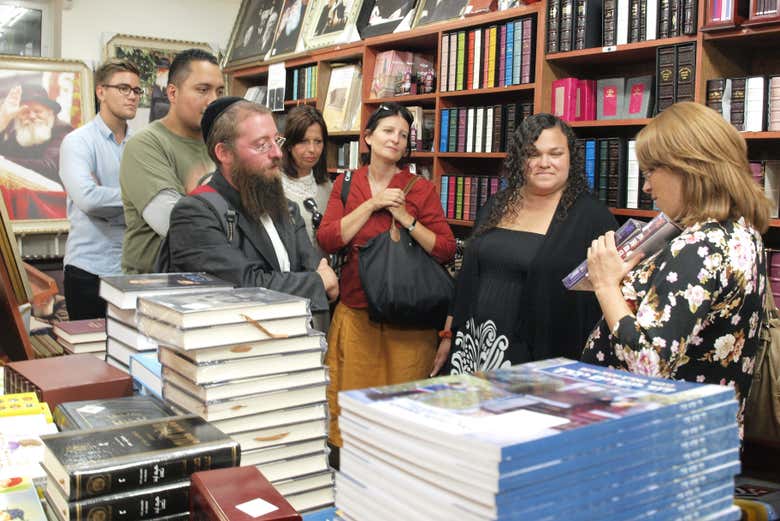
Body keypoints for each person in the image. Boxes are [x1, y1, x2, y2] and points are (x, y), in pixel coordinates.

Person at [582, 101, 770, 431]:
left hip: (653, 438)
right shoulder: (743, 233)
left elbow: (650, 365)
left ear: (689, 167)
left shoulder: (698, 246)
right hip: (703, 432)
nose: (646, 187)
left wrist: (606, 285)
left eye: (651, 172)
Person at [433, 113, 617, 376]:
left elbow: (606, 296)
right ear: (521, 159)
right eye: (533, 154)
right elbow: (465, 280)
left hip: (540, 359)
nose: (544, 163)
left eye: (555, 153)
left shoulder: (592, 218)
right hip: (472, 346)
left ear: (571, 158)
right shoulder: (497, 204)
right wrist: (448, 336)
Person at [317, 102, 456, 449]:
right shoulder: (346, 184)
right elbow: (329, 238)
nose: (396, 139)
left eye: (403, 135)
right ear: (368, 137)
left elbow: (445, 249)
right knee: (350, 410)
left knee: (403, 413)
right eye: (388, 131)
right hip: (356, 311)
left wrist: (406, 218)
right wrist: (372, 205)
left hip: (408, 321)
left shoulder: (419, 189)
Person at [166, 97, 338, 323]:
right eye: (262, 144)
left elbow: (315, 270)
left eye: (277, 140)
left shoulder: (287, 209)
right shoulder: (195, 213)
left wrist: (314, 279)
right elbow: (244, 288)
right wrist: (316, 282)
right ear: (224, 153)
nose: (277, 152)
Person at [120, 48, 224, 274]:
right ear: (172, 93)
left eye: (219, 91)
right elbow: (177, 223)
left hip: (212, 280)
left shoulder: (221, 146)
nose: (213, 100)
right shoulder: (145, 145)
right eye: (203, 90)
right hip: (155, 287)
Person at [58, 60, 141, 320]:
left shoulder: (141, 145)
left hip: (133, 270)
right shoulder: (78, 142)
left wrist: (110, 197)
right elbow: (89, 199)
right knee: (90, 356)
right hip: (88, 270)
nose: (132, 96)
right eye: (124, 88)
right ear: (101, 92)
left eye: (137, 91)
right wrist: (142, 197)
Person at [280, 105, 332, 257]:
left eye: (318, 141)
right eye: (303, 141)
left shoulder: (328, 186)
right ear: (289, 144)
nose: (312, 149)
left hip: (323, 275)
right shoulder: (273, 185)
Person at [0, 83, 73, 183]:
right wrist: (3, 121)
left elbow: (50, 167)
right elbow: (2, 153)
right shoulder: (17, 135)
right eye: (25, 112)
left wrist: (5, 162)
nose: (32, 116)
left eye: (38, 111)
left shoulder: (63, 131)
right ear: (17, 116)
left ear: (50, 112)